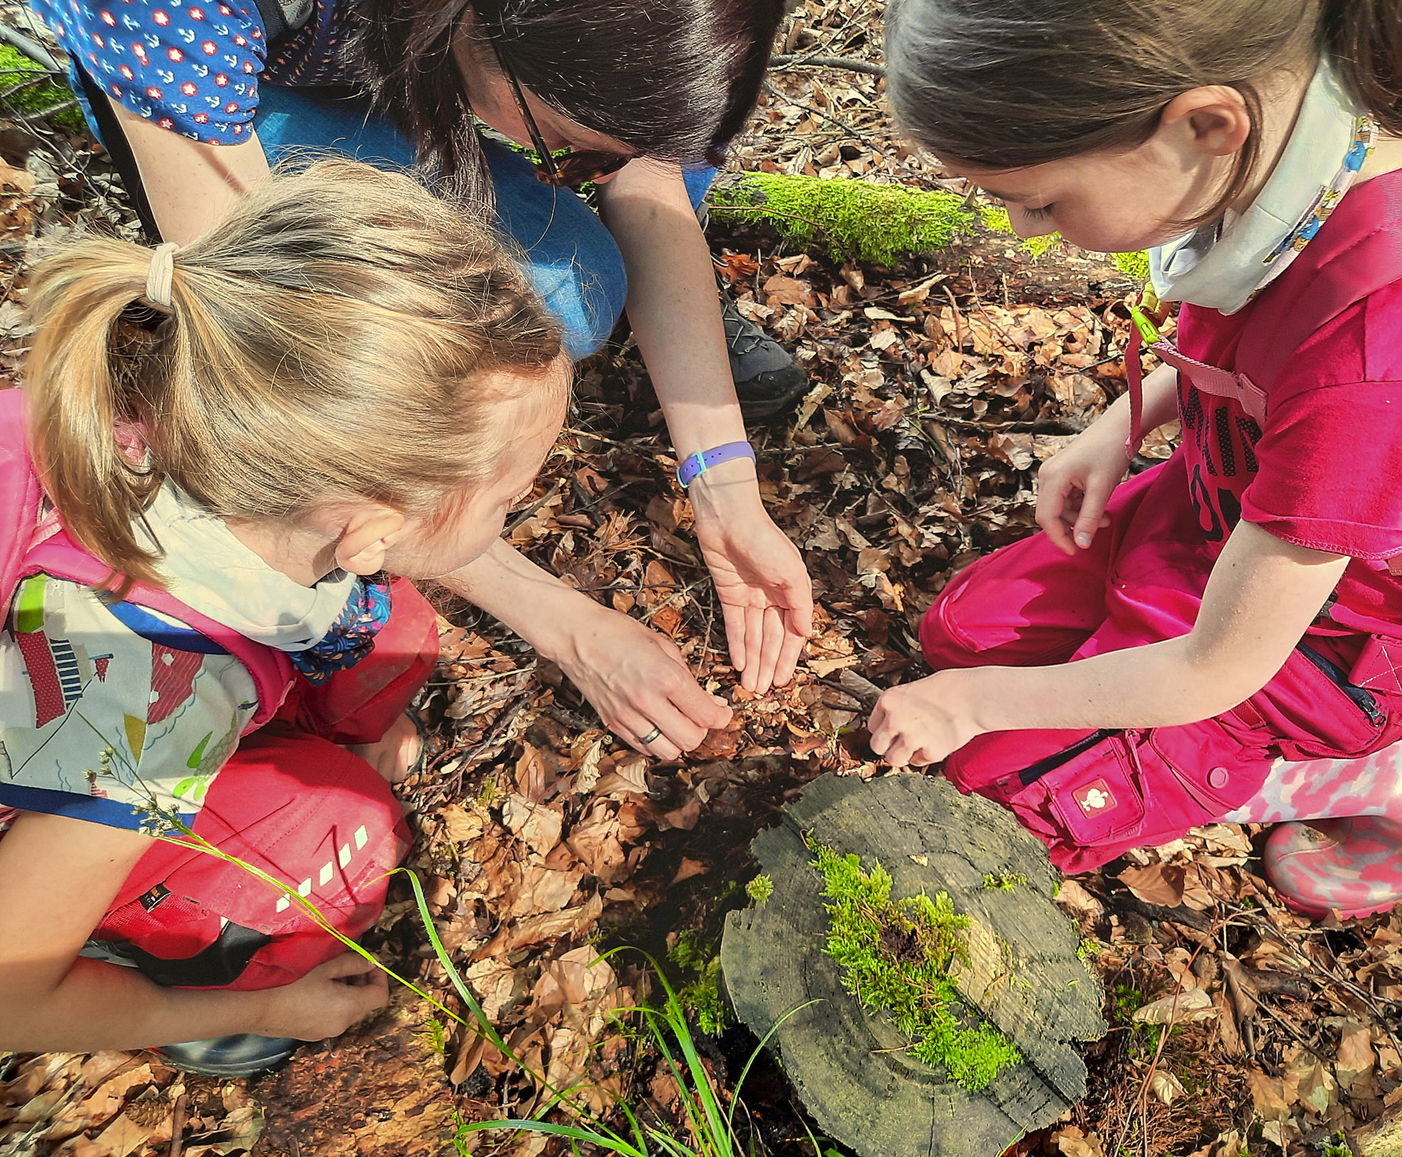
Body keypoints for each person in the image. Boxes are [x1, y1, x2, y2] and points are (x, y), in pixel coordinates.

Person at [873, 0, 1402, 917]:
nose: (1025, 231)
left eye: (1040, 201)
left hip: (1318, 647)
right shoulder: (1308, 144)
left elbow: (1216, 666)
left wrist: (974, 705)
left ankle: (1381, 765)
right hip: (1216, 519)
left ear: (1205, 125)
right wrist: (1122, 422)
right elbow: (1271, 348)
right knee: (960, 633)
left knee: (990, 792)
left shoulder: (1392, 354)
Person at [29, 0, 814, 757]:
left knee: (582, 271)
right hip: (238, 94)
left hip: (390, 51)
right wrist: (564, 624)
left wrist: (724, 485)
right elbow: (292, 378)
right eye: (574, 153)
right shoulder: (171, 14)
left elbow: (649, 186)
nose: (592, 176)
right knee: (567, 296)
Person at [0, 159, 570, 1073]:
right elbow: (8, 996)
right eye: (509, 499)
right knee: (341, 847)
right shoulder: (146, 711)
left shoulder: (175, 386)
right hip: (62, 810)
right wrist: (276, 1005)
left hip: (102, 679)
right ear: (368, 531)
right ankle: (159, 974)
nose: (515, 512)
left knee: (393, 638)